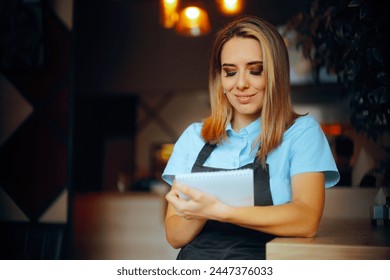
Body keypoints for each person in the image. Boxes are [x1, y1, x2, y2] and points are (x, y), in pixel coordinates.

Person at [162, 15, 340, 260]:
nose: (241, 84)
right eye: (230, 72)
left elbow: (306, 219)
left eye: (256, 71)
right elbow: (174, 236)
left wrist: (221, 210)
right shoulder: (194, 137)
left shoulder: (302, 133)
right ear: (220, 79)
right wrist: (200, 211)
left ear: (276, 73)